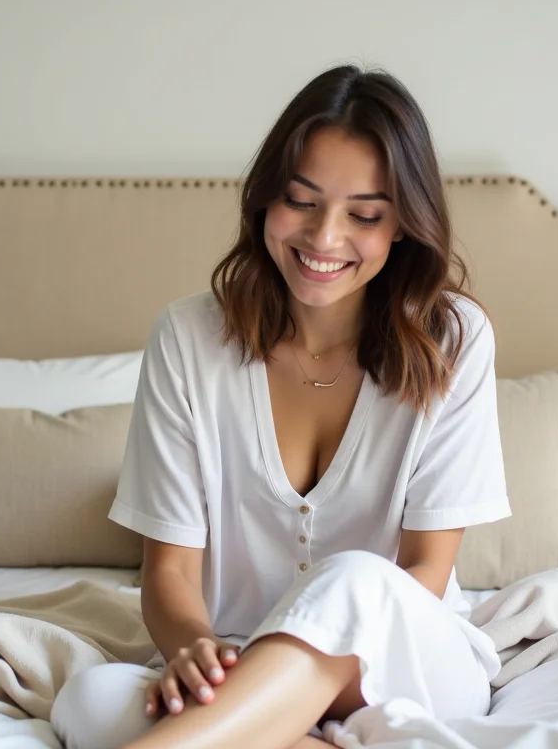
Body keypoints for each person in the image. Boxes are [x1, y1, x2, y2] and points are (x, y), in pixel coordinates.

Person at [51, 63, 509, 749]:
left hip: (406, 662)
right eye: (301, 201)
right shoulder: (188, 339)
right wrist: (193, 653)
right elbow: (169, 572)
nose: (324, 239)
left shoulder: (455, 340)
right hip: (237, 661)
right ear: (265, 199)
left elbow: (424, 573)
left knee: (356, 579)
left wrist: (287, 668)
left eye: (364, 215)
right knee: (89, 699)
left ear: (403, 228)